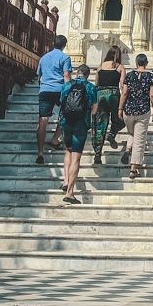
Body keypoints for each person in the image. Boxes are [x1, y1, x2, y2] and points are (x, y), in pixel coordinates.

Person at [58, 64, 98, 204]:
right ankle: (70, 193)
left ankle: (65, 180)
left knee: (68, 151)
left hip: (66, 122)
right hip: (81, 124)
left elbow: (61, 102)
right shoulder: (90, 87)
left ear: (77, 73)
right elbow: (94, 109)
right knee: (76, 157)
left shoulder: (67, 85)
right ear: (87, 75)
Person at [117, 53, 153, 180]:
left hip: (128, 110)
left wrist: (120, 108)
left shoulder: (129, 75)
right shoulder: (150, 76)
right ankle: (133, 169)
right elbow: (152, 95)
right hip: (143, 110)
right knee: (139, 140)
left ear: (136, 63)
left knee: (132, 133)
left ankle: (128, 148)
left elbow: (124, 93)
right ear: (146, 63)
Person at [35, 35, 72, 164]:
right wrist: (68, 91)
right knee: (64, 115)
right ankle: (55, 139)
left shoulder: (44, 58)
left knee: (43, 120)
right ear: (64, 45)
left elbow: (39, 76)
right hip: (60, 90)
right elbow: (66, 75)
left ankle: (40, 152)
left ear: (53, 43)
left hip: (45, 90)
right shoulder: (65, 58)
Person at [92, 46, 125, 165]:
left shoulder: (100, 66)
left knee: (100, 126)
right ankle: (112, 134)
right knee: (120, 119)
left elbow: (96, 84)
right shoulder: (119, 67)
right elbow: (122, 85)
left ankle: (97, 154)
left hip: (100, 95)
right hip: (114, 94)